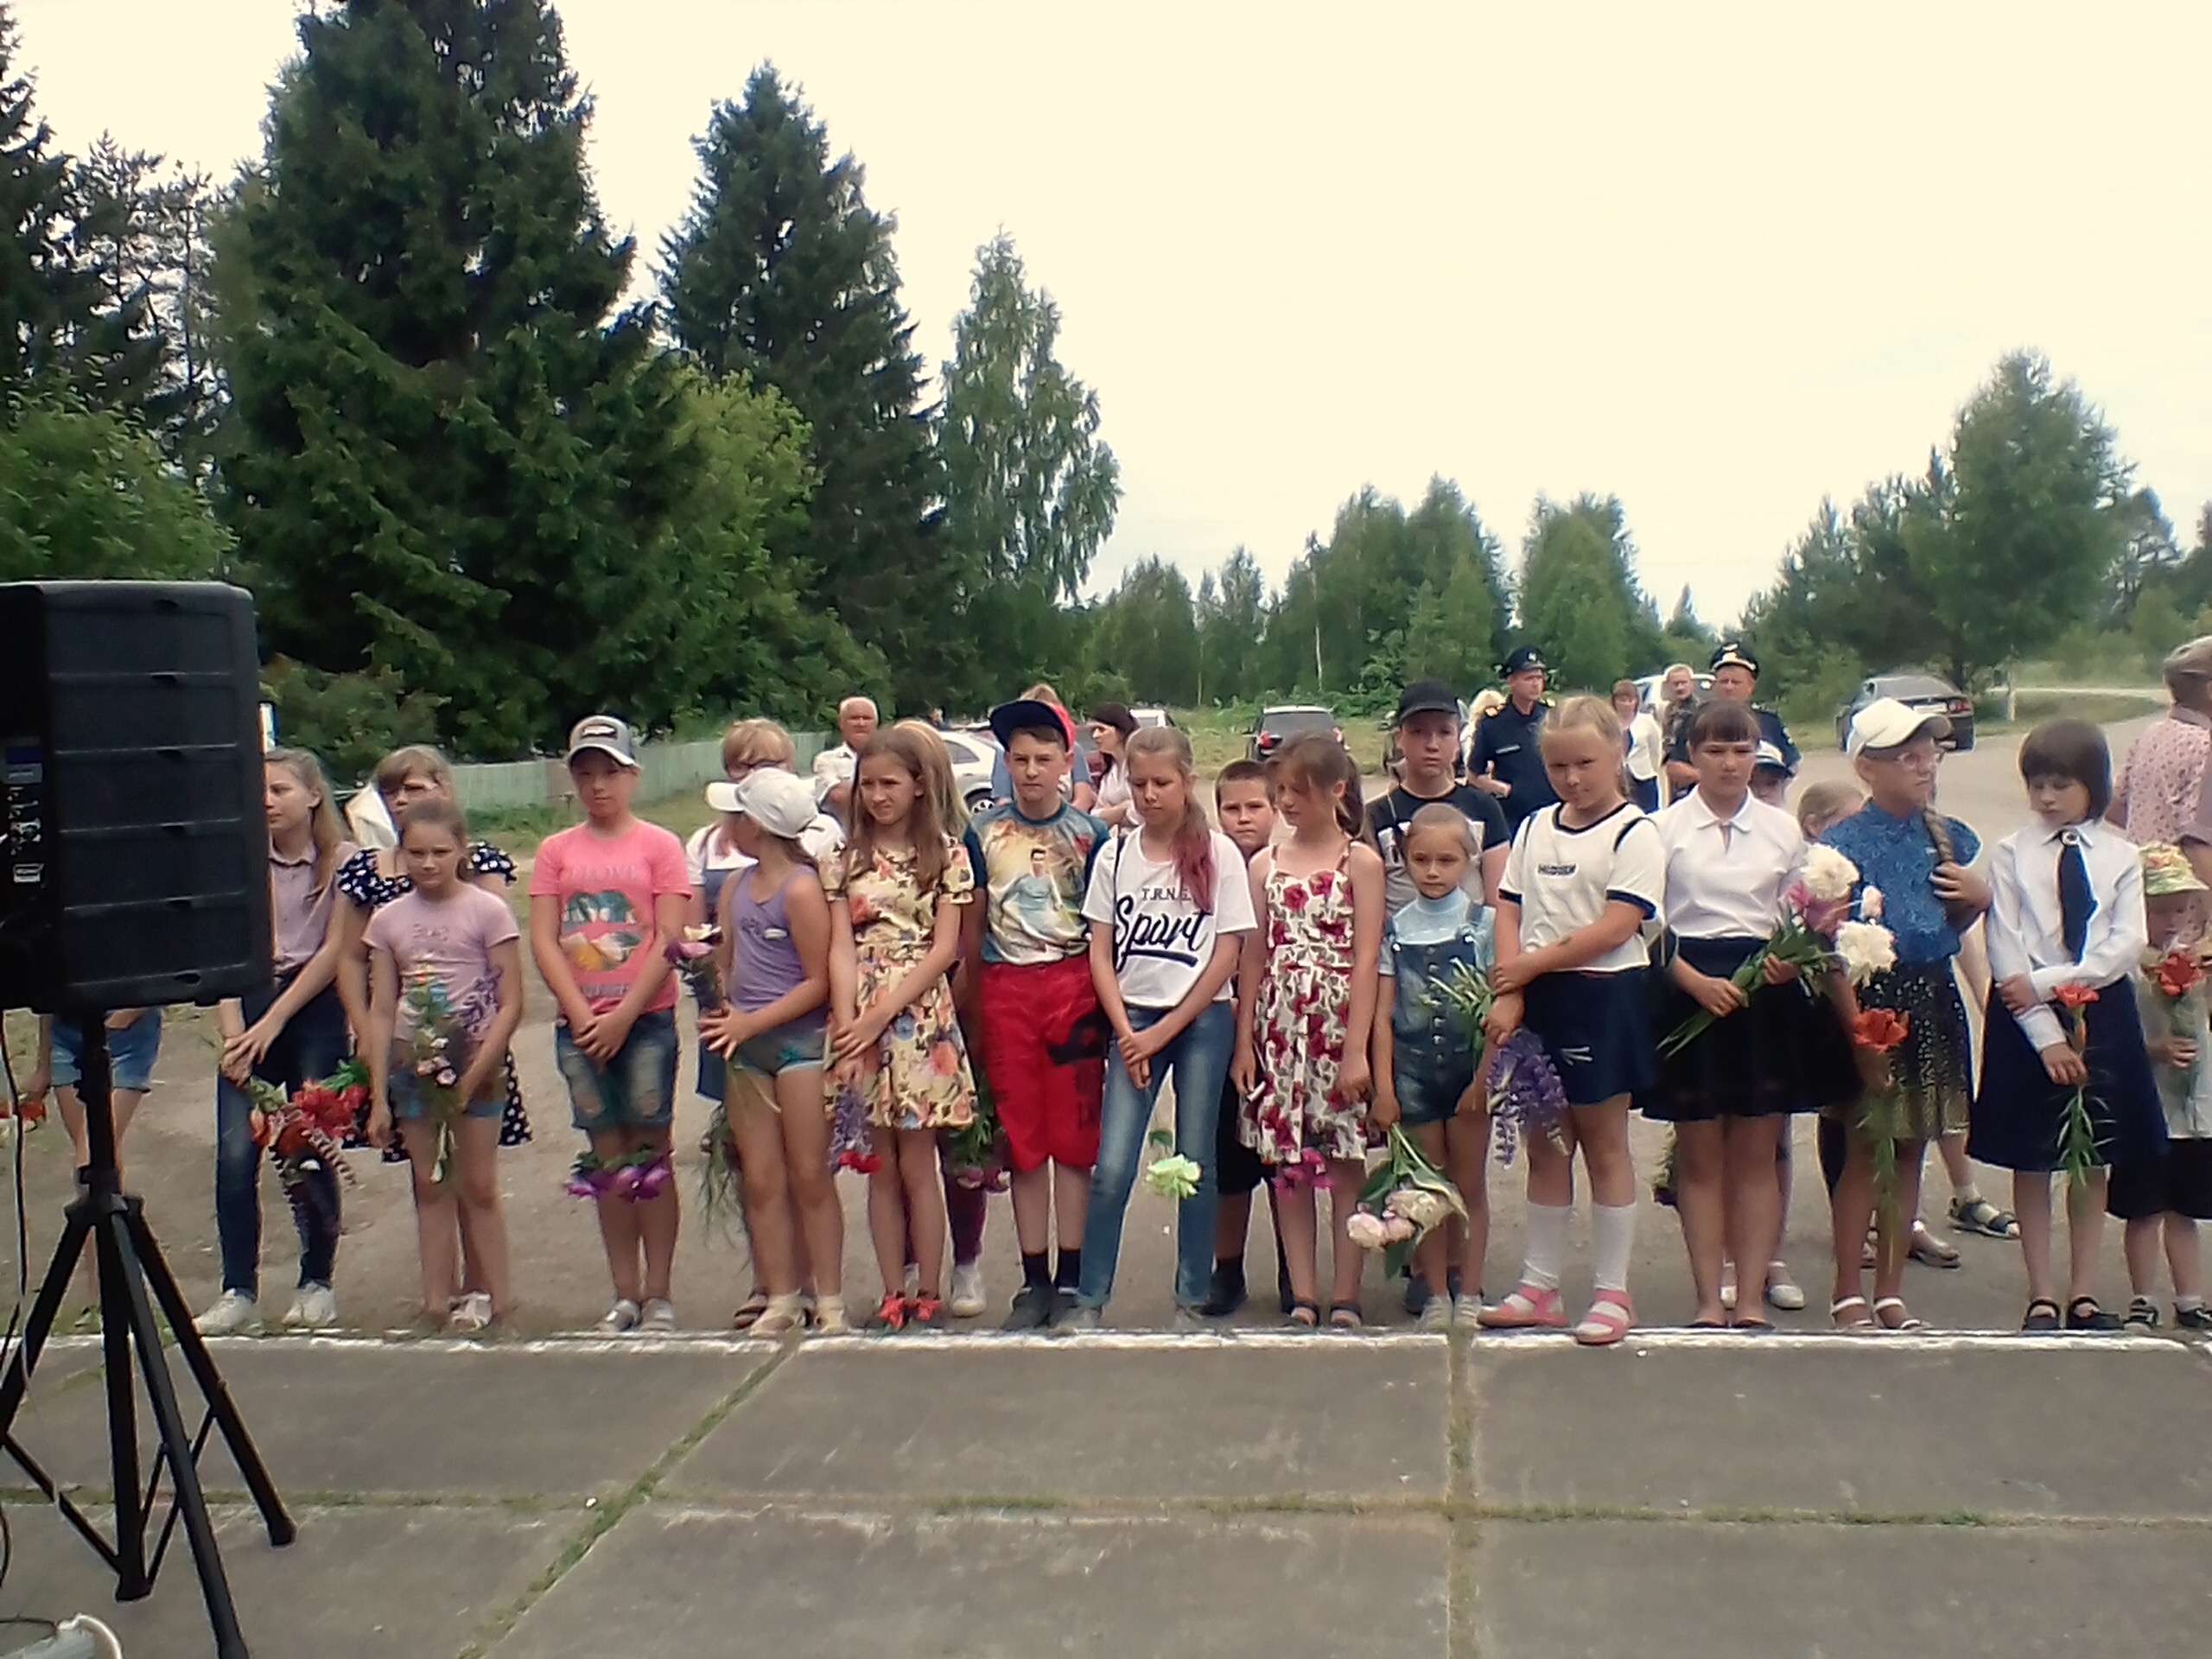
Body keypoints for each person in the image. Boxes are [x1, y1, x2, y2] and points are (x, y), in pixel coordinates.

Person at [1643, 700, 1858, 1330]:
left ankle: (1753, 1297)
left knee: (1758, 1157)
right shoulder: (1661, 830)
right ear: (1691, 757)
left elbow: (1803, 911)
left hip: (1764, 989)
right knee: (1701, 1158)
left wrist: (1790, 959)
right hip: (1689, 983)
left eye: (1742, 751)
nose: (1730, 764)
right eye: (1715, 751)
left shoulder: (1782, 831)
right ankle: (1710, 1299)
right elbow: (1647, 919)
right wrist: (1691, 981)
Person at [1480, 697, 1663, 1346]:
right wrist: (1513, 989)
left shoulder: (1635, 833)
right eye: (1558, 767)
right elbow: (1508, 907)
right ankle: (1541, 1286)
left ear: (1617, 754)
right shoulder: (1534, 827)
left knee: (1604, 1143)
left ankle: (1613, 1292)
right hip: (1540, 996)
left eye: (1585, 763)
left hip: (1603, 996)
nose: (1572, 778)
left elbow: (1617, 925)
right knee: (1546, 1143)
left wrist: (1526, 969)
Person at [1972, 721, 2161, 1332]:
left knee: (2093, 1153)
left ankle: (2083, 1291)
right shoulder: (2011, 853)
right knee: (2033, 1157)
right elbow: (2004, 943)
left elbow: (2126, 942)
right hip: (2024, 1013)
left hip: (2099, 1005)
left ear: (2093, 785)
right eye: (2037, 785)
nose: (2047, 797)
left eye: (2061, 785)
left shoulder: (2121, 855)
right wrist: (2046, 1033)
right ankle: (2042, 1292)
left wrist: (2056, 983)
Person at [1071, 727, 1255, 1326]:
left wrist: (1163, 1030)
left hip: (1201, 1020)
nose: (1149, 795)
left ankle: (1191, 1297)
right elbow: (1100, 951)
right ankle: (1090, 1299)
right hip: (1133, 1021)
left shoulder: (1219, 854)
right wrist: (1128, 1030)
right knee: (1112, 1167)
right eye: (1139, 783)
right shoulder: (1115, 854)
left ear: (1187, 782)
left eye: (1162, 783)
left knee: (1194, 1160)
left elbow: (1226, 954)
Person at [1819, 697, 1990, 1332]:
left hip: (1932, 996)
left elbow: (1949, 924)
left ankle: (1890, 1290)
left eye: (1930, 755)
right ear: (1867, 767)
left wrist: (1980, 898)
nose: (1924, 767)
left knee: (1913, 1145)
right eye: (1907, 757)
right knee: (1867, 1149)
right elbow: (1828, 950)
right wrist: (1859, 1033)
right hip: (1870, 999)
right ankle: (1848, 1290)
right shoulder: (1840, 848)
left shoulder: (1948, 837)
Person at [530, 716, 690, 1336]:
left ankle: (660, 1291)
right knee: (607, 1157)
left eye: (610, 773)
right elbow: (545, 937)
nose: (598, 786)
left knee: (652, 1152)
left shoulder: (659, 846)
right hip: (581, 1024)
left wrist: (624, 1014)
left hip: (644, 1019)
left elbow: (669, 935)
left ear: (632, 776)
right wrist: (580, 1013)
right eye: (586, 774)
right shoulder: (556, 851)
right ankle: (625, 1291)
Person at [197, 749, 357, 1336]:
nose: (267, 801)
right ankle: (237, 1289)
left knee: (305, 1144)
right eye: (259, 790)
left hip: (313, 1006)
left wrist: (275, 1021)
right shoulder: (238, 861)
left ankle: (317, 1282)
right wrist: (234, 1035)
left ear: (313, 796)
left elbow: (335, 951)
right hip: (249, 997)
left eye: (281, 789)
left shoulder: (342, 861)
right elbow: (222, 951)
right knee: (236, 1153)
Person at [965, 697, 1110, 1330]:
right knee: (1023, 1141)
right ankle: (1034, 1279)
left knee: (1074, 1138)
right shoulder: (981, 834)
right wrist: (970, 1007)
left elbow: (1104, 927)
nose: (1030, 771)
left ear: (1065, 761)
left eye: (1043, 759)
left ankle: (1072, 1274)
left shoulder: (1091, 836)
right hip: (1006, 988)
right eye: (1019, 759)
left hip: (1074, 987)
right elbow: (972, 924)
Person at [826, 727, 977, 1331]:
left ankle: (930, 1289)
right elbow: (839, 946)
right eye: (868, 785)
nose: (878, 796)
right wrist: (849, 1025)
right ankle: (893, 1288)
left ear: (918, 786)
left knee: (918, 1163)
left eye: (890, 783)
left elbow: (944, 950)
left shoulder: (946, 855)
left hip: (918, 1012)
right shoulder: (842, 859)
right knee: (878, 1165)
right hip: (860, 1009)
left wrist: (882, 1013)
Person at [1232, 732, 1383, 1327]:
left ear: (1337, 789)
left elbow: (1367, 958)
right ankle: (1302, 1293)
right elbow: (1253, 956)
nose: (1287, 803)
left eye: (1299, 791)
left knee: (1343, 1159)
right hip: (1278, 1027)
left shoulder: (1360, 862)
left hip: (1337, 1024)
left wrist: (1356, 1051)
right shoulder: (1264, 864)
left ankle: (1346, 1293)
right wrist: (1244, 1044)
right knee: (1287, 1164)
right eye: (1281, 792)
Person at [361, 798, 524, 1331]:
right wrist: (379, 1094)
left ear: (461, 852)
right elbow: (382, 1008)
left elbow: (511, 1003)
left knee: (478, 1184)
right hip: (413, 1061)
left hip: (475, 1058)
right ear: (401, 854)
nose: (428, 863)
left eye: (439, 852)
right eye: (416, 853)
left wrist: (472, 1077)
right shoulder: (388, 919)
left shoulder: (487, 911)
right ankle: (436, 1300)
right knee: (429, 1185)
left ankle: (497, 1298)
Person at [704, 768, 844, 1338]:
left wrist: (750, 1021)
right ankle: (781, 1295)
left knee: (810, 1175)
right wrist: (715, 998)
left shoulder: (803, 889)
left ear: (757, 825)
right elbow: (724, 960)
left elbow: (817, 982)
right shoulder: (735, 887)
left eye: (735, 815)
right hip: (746, 1046)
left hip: (798, 1047)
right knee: (761, 1178)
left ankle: (829, 1298)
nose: (726, 824)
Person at [1371, 804, 1495, 1330]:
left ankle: (1470, 1289)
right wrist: (1384, 1088)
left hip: (1468, 1076)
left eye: (1447, 861)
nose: (1433, 871)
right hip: (1413, 1075)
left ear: (1469, 860)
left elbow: (1498, 1012)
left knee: (1469, 1185)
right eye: (1420, 860)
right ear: (1404, 860)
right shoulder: (1395, 930)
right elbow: (1382, 1015)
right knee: (1426, 1190)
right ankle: (1436, 1293)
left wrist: (1485, 1079)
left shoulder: (1483, 925)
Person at [895, 717, 990, 1318]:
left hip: (951, 1003)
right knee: (903, 1145)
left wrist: (961, 999)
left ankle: (967, 1262)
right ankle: (909, 1259)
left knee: (960, 1145)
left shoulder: (962, 842)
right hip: (891, 1010)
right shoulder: (868, 847)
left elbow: (970, 935)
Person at [1205, 760, 1288, 1316]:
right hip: (1221, 1030)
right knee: (1228, 1160)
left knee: (1284, 1160)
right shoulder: (1208, 868)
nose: (1243, 818)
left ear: (1276, 809)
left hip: (1285, 1030)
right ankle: (1227, 1270)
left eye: (1254, 806)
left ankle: (1292, 1269)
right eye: (1231, 808)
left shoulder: (1287, 867)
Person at [2116, 845, 2212, 1330]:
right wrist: (2154, 1049)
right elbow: (2118, 1037)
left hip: (2194, 1109)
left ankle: (2190, 1297)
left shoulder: (2196, 964)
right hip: (2148, 1103)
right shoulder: (2128, 966)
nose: (2171, 920)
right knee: (2144, 1208)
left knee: (2184, 1207)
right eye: (2159, 910)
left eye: (2180, 910)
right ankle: (2142, 1295)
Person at [1370, 679, 1510, 915]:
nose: (1432, 745)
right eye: (1418, 732)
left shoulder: (1484, 809)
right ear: (1399, 739)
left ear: (1457, 740)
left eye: (1444, 732)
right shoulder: (1377, 817)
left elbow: (1499, 904)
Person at [22, 1005, 162, 1193]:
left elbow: (157, 985)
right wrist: (43, 1069)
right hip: (67, 1034)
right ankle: (111, 1205)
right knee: (100, 1152)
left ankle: (100, 1207)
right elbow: (49, 994)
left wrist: (123, 1018)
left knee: (92, 1150)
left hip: (126, 1035)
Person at [2113, 638, 2212, 878]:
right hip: (2184, 892)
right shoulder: (2206, 746)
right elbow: (2198, 841)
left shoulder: (2152, 734)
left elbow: (2114, 805)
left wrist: (2154, 835)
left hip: (2140, 882)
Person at [1669, 644, 1798, 780]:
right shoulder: (1695, 721)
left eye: (1735, 682)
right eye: (1724, 682)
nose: (1729, 687)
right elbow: (1674, 767)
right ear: (1714, 685)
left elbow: (1791, 765)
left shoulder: (1770, 722)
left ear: (1751, 686)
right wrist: (1714, 779)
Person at [1467, 646, 1557, 836]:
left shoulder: (1552, 717)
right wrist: (1504, 789)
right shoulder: (1493, 723)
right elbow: (1474, 774)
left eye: (1539, 678)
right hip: (1514, 818)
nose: (1535, 684)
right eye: (1529, 678)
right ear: (1511, 680)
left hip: (1553, 812)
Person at [811, 696, 881, 818]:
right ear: (841, 723)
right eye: (854, 718)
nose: (861, 723)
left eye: (867, 718)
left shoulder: (890, 757)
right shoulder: (827, 760)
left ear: (876, 724)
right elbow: (838, 796)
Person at [1614, 680, 1666, 814]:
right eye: (1622, 700)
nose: (1627, 704)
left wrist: (1652, 769)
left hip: (1644, 779)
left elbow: (1656, 750)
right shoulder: (1609, 723)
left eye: (1631, 700)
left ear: (1637, 701)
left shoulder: (1647, 721)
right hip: (1619, 780)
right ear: (1615, 701)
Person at [1088, 702, 1139, 830]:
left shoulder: (1141, 766)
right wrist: (1122, 809)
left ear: (1120, 731)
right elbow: (1094, 816)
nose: (1095, 735)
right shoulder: (1110, 772)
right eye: (1093, 730)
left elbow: (1143, 812)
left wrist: (1110, 814)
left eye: (1101, 729)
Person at [1658, 663, 1704, 799]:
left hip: (1691, 770)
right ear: (1668, 686)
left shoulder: (1699, 711)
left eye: (1684, 683)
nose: (1680, 688)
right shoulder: (1669, 711)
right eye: (1676, 684)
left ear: (1692, 684)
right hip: (1673, 771)